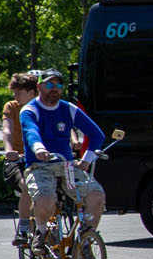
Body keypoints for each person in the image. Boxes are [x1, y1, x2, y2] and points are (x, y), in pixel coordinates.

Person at [19, 69, 107, 238]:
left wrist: (87, 160)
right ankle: (41, 232)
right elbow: (31, 131)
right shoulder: (30, 110)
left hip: (66, 166)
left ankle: (87, 238)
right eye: (50, 84)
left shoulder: (68, 109)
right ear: (39, 86)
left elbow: (97, 135)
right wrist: (39, 148)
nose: (55, 88)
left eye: (59, 85)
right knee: (45, 199)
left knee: (96, 194)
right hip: (40, 166)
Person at [1, 71, 39, 245]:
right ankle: (23, 228)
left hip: (41, 159)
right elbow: (7, 130)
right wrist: (9, 150)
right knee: (26, 186)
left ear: (32, 92)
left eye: (19, 92)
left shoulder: (43, 106)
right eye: (14, 92)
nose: (15, 96)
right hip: (18, 159)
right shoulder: (12, 107)